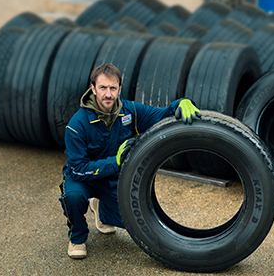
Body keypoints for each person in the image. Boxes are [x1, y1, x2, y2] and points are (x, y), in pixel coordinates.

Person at [59, 63, 201, 259]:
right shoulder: (77, 124)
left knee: (133, 220)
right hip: (83, 178)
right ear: (93, 89)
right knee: (73, 197)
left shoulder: (130, 111)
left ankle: (102, 210)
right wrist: (114, 162)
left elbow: (163, 114)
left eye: (112, 88)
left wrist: (182, 102)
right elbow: (77, 169)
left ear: (119, 88)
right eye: (102, 88)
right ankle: (77, 237)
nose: (108, 94)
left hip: (112, 180)